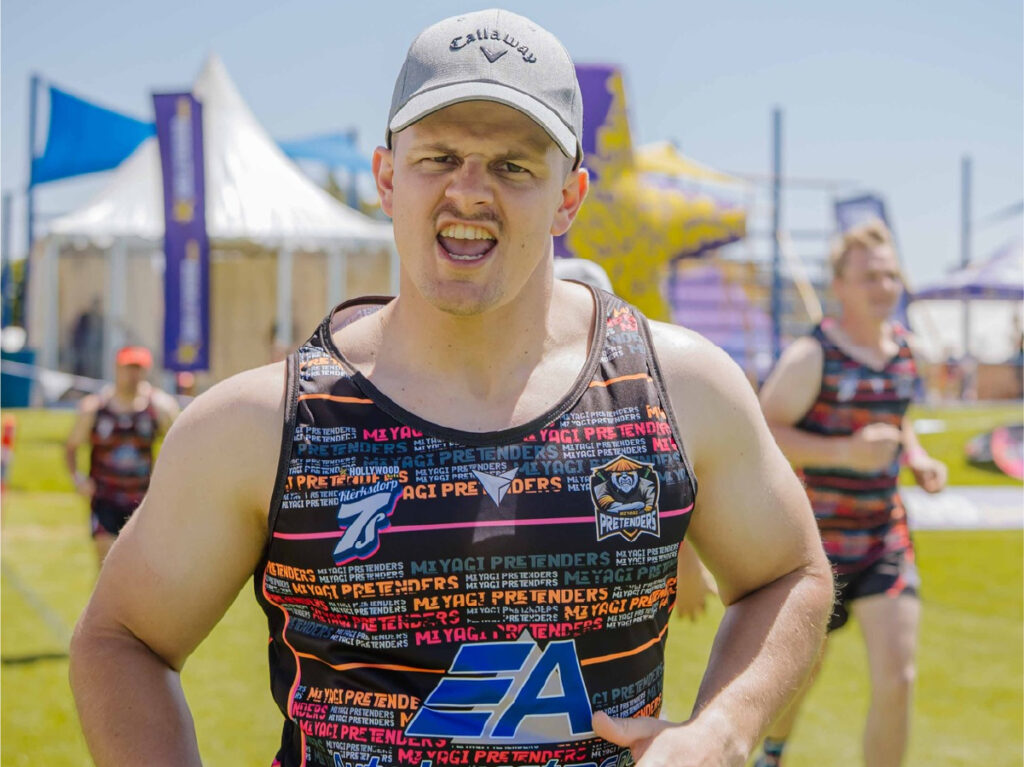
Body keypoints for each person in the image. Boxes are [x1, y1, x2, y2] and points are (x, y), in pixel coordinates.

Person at [69, 10, 832, 767]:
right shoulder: (263, 423)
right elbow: (123, 638)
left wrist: (724, 727)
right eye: (438, 157)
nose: (469, 192)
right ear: (387, 178)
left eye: (514, 166)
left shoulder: (679, 388)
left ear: (569, 197)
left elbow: (789, 573)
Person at [754, 220, 947, 767]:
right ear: (839, 285)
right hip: (814, 550)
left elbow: (895, 420)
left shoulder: (905, 351)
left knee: (899, 676)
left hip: (885, 540)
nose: (884, 286)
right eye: (869, 277)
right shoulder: (811, 356)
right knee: (801, 673)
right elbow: (763, 435)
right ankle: (772, 753)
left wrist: (917, 458)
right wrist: (846, 452)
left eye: (890, 275)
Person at [65, 345, 180, 565]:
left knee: (142, 566)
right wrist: (78, 480)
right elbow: (71, 447)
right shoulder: (95, 408)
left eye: (138, 368)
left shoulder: (159, 407)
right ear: (117, 368)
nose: (133, 375)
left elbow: (179, 445)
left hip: (142, 500)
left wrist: (167, 482)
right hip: (105, 498)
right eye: (128, 368)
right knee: (107, 565)